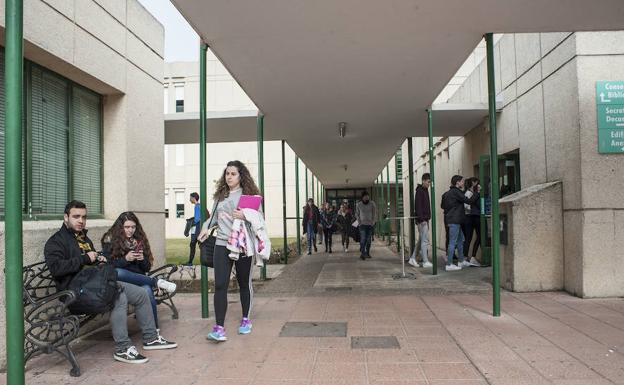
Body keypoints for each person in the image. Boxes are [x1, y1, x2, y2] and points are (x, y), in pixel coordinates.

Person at [44, 201, 176, 364]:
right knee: (118, 296)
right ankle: (122, 349)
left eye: (83, 217)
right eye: (76, 217)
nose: (81, 220)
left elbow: (90, 264)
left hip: (94, 285)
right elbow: (56, 269)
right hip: (75, 293)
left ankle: (151, 338)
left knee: (141, 293)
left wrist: (99, 260)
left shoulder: (82, 238)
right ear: (66, 218)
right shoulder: (56, 242)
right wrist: (86, 258)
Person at [198, 160, 261, 342]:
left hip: (242, 245)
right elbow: (213, 219)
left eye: (233, 174)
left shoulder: (250, 195)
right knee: (220, 285)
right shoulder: (220, 196)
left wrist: (245, 215)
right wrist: (205, 228)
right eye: (227, 174)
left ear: (241, 176)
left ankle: (245, 319)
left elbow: (259, 219)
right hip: (221, 244)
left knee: (244, 283)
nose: (229, 177)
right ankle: (219, 328)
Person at [101, 211, 177, 331]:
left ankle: (153, 330)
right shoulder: (110, 239)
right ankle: (156, 282)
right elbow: (108, 266)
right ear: (120, 227)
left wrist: (142, 259)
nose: (130, 230)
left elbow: (146, 268)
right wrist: (125, 259)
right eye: (127, 227)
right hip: (120, 281)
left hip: (138, 279)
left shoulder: (139, 239)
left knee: (147, 290)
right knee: (119, 272)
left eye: (133, 227)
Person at [441, 175, 479, 271]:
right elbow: (469, 201)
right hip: (455, 220)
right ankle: (449, 264)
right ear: (457, 182)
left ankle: (461, 260)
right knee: (452, 242)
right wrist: (477, 193)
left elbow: (444, 206)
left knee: (460, 240)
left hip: (453, 219)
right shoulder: (455, 192)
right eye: (462, 181)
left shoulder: (448, 193)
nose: (463, 183)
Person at [409, 173, 433, 268]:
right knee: (424, 240)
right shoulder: (420, 191)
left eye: (430, 182)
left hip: (424, 219)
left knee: (421, 240)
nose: (429, 184)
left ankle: (413, 258)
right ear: (423, 181)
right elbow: (418, 206)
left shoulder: (424, 190)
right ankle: (425, 261)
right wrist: (422, 220)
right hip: (422, 220)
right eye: (428, 182)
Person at [462, 178, 482, 266]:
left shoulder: (471, 193)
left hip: (470, 217)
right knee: (469, 238)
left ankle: (466, 257)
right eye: (477, 182)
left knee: (469, 238)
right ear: (473, 183)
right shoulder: (469, 193)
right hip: (470, 217)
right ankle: (468, 257)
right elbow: (467, 205)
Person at [355, 191, 377, 260]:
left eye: (368, 196)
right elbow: (357, 214)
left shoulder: (372, 204)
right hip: (362, 225)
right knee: (363, 239)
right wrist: (359, 222)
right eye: (365, 196)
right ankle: (362, 253)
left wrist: (373, 222)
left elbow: (374, 213)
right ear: (362, 197)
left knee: (368, 240)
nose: (367, 197)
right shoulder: (359, 204)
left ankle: (367, 253)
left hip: (370, 225)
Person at [185, 192, 201, 265]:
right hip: (199, 228)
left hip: (196, 228)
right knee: (199, 245)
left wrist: (190, 223)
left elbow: (197, 219)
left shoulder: (197, 206)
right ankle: (190, 262)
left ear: (194, 198)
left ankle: (190, 262)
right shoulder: (199, 205)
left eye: (190, 198)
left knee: (192, 245)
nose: (189, 199)